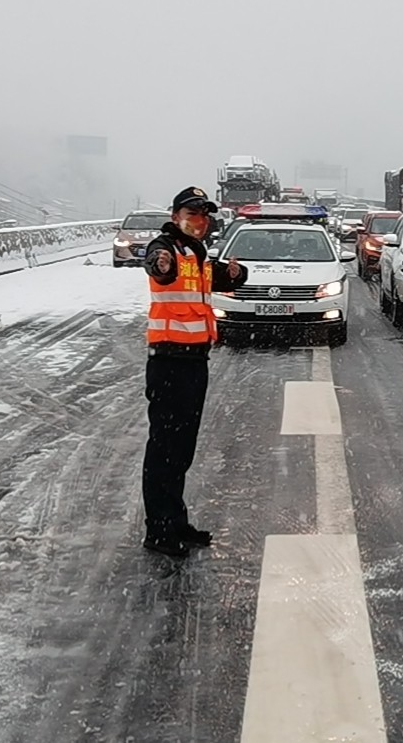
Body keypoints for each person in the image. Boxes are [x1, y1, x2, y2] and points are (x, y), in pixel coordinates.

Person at [139, 186, 247, 557]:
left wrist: (236, 273)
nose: (199, 222)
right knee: (164, 449)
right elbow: (157, 265)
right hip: (169, 361)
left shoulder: (196, 256)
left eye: (203, 216)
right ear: (175, 217)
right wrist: (160, 265)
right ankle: (159, 530)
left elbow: (221, 278)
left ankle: (176, 521)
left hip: (194, 361)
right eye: (192, 215)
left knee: (181, 449)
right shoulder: (166, 248)